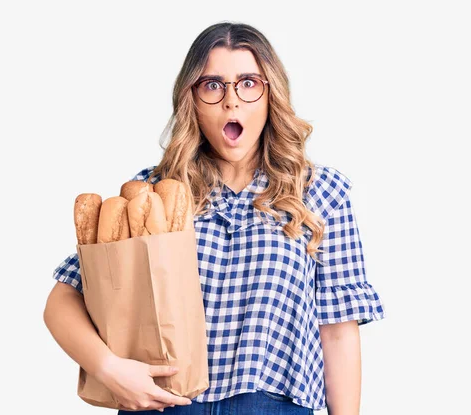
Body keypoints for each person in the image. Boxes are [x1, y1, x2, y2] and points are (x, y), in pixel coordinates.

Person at [44, 21, 386, 414]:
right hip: (163, 404)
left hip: (272, 405)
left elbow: (338, 333)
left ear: (270, 94)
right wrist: (108, 369)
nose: (231, 102)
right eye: (212, 85)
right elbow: (63, 298)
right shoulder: (154, 193)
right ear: (191, 99)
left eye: (248, 83)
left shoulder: (319, 193)